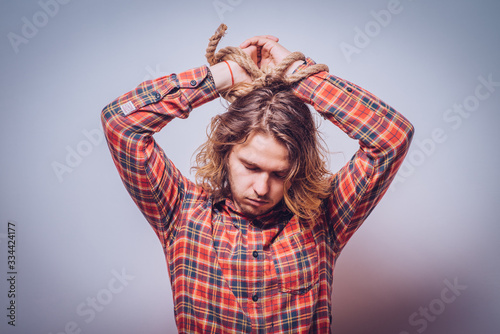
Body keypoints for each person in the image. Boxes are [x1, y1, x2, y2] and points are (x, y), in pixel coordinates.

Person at [101, 33, 414, 333]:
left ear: (297, 170)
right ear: (225, 152)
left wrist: (300, 75)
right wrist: (223, 76)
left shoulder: (324, 218)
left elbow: (392, 137)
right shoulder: (180, 211)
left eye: (279, 174)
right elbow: (120, 122)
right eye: (250, 166)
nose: (262, 188)